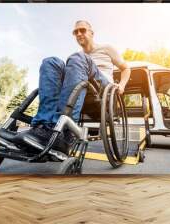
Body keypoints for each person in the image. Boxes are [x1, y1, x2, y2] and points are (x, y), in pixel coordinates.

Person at [24, 20, 131, 154]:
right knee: (51, 62)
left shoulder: (106, 48)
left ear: (91, 33)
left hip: (103, 88)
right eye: (76, 32)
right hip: (80, 87)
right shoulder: (77, 57)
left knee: (78, 58)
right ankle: (42, 126)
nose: (79, 34)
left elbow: (125, 68)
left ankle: (63, 131)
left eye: (82, 30)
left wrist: (121, 85)